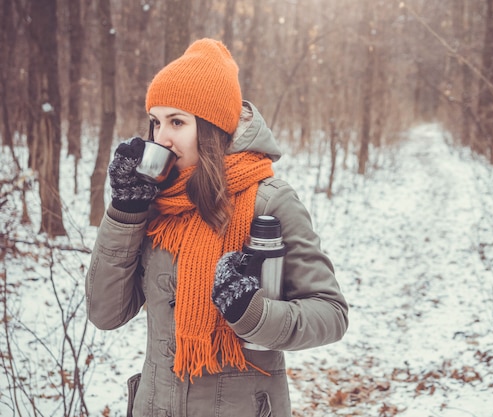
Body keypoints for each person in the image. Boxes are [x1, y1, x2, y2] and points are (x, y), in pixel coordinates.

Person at [85, 38, 348, 417]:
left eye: (177, 121)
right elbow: (105, 314)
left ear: (212, 128)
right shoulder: (155, 202)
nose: (162, 138)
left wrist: (254, 314)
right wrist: (126, 211)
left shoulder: (269, 201)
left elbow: (331, 314)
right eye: (156, 122)